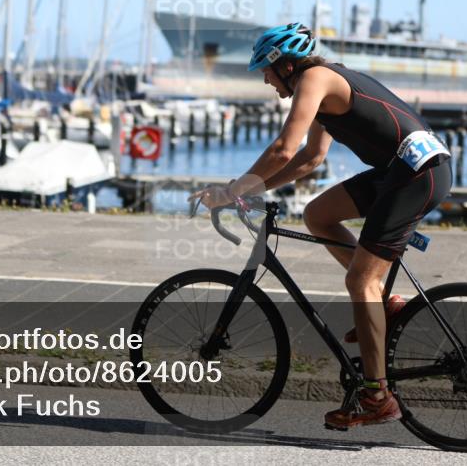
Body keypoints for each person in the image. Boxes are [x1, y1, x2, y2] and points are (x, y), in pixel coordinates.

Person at [192, 22, 452, 430]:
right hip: (400, 170)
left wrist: (230, 191)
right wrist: (250, 190)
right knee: (318, 214)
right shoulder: (322, 82)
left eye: (266, 69)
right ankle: (386, 305)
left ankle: (377, 397)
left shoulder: (315, 78)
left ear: (286, 66)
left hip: (417, 176)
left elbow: (283, 149)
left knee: (360, 282)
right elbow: (310, 158)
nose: (264, 78)